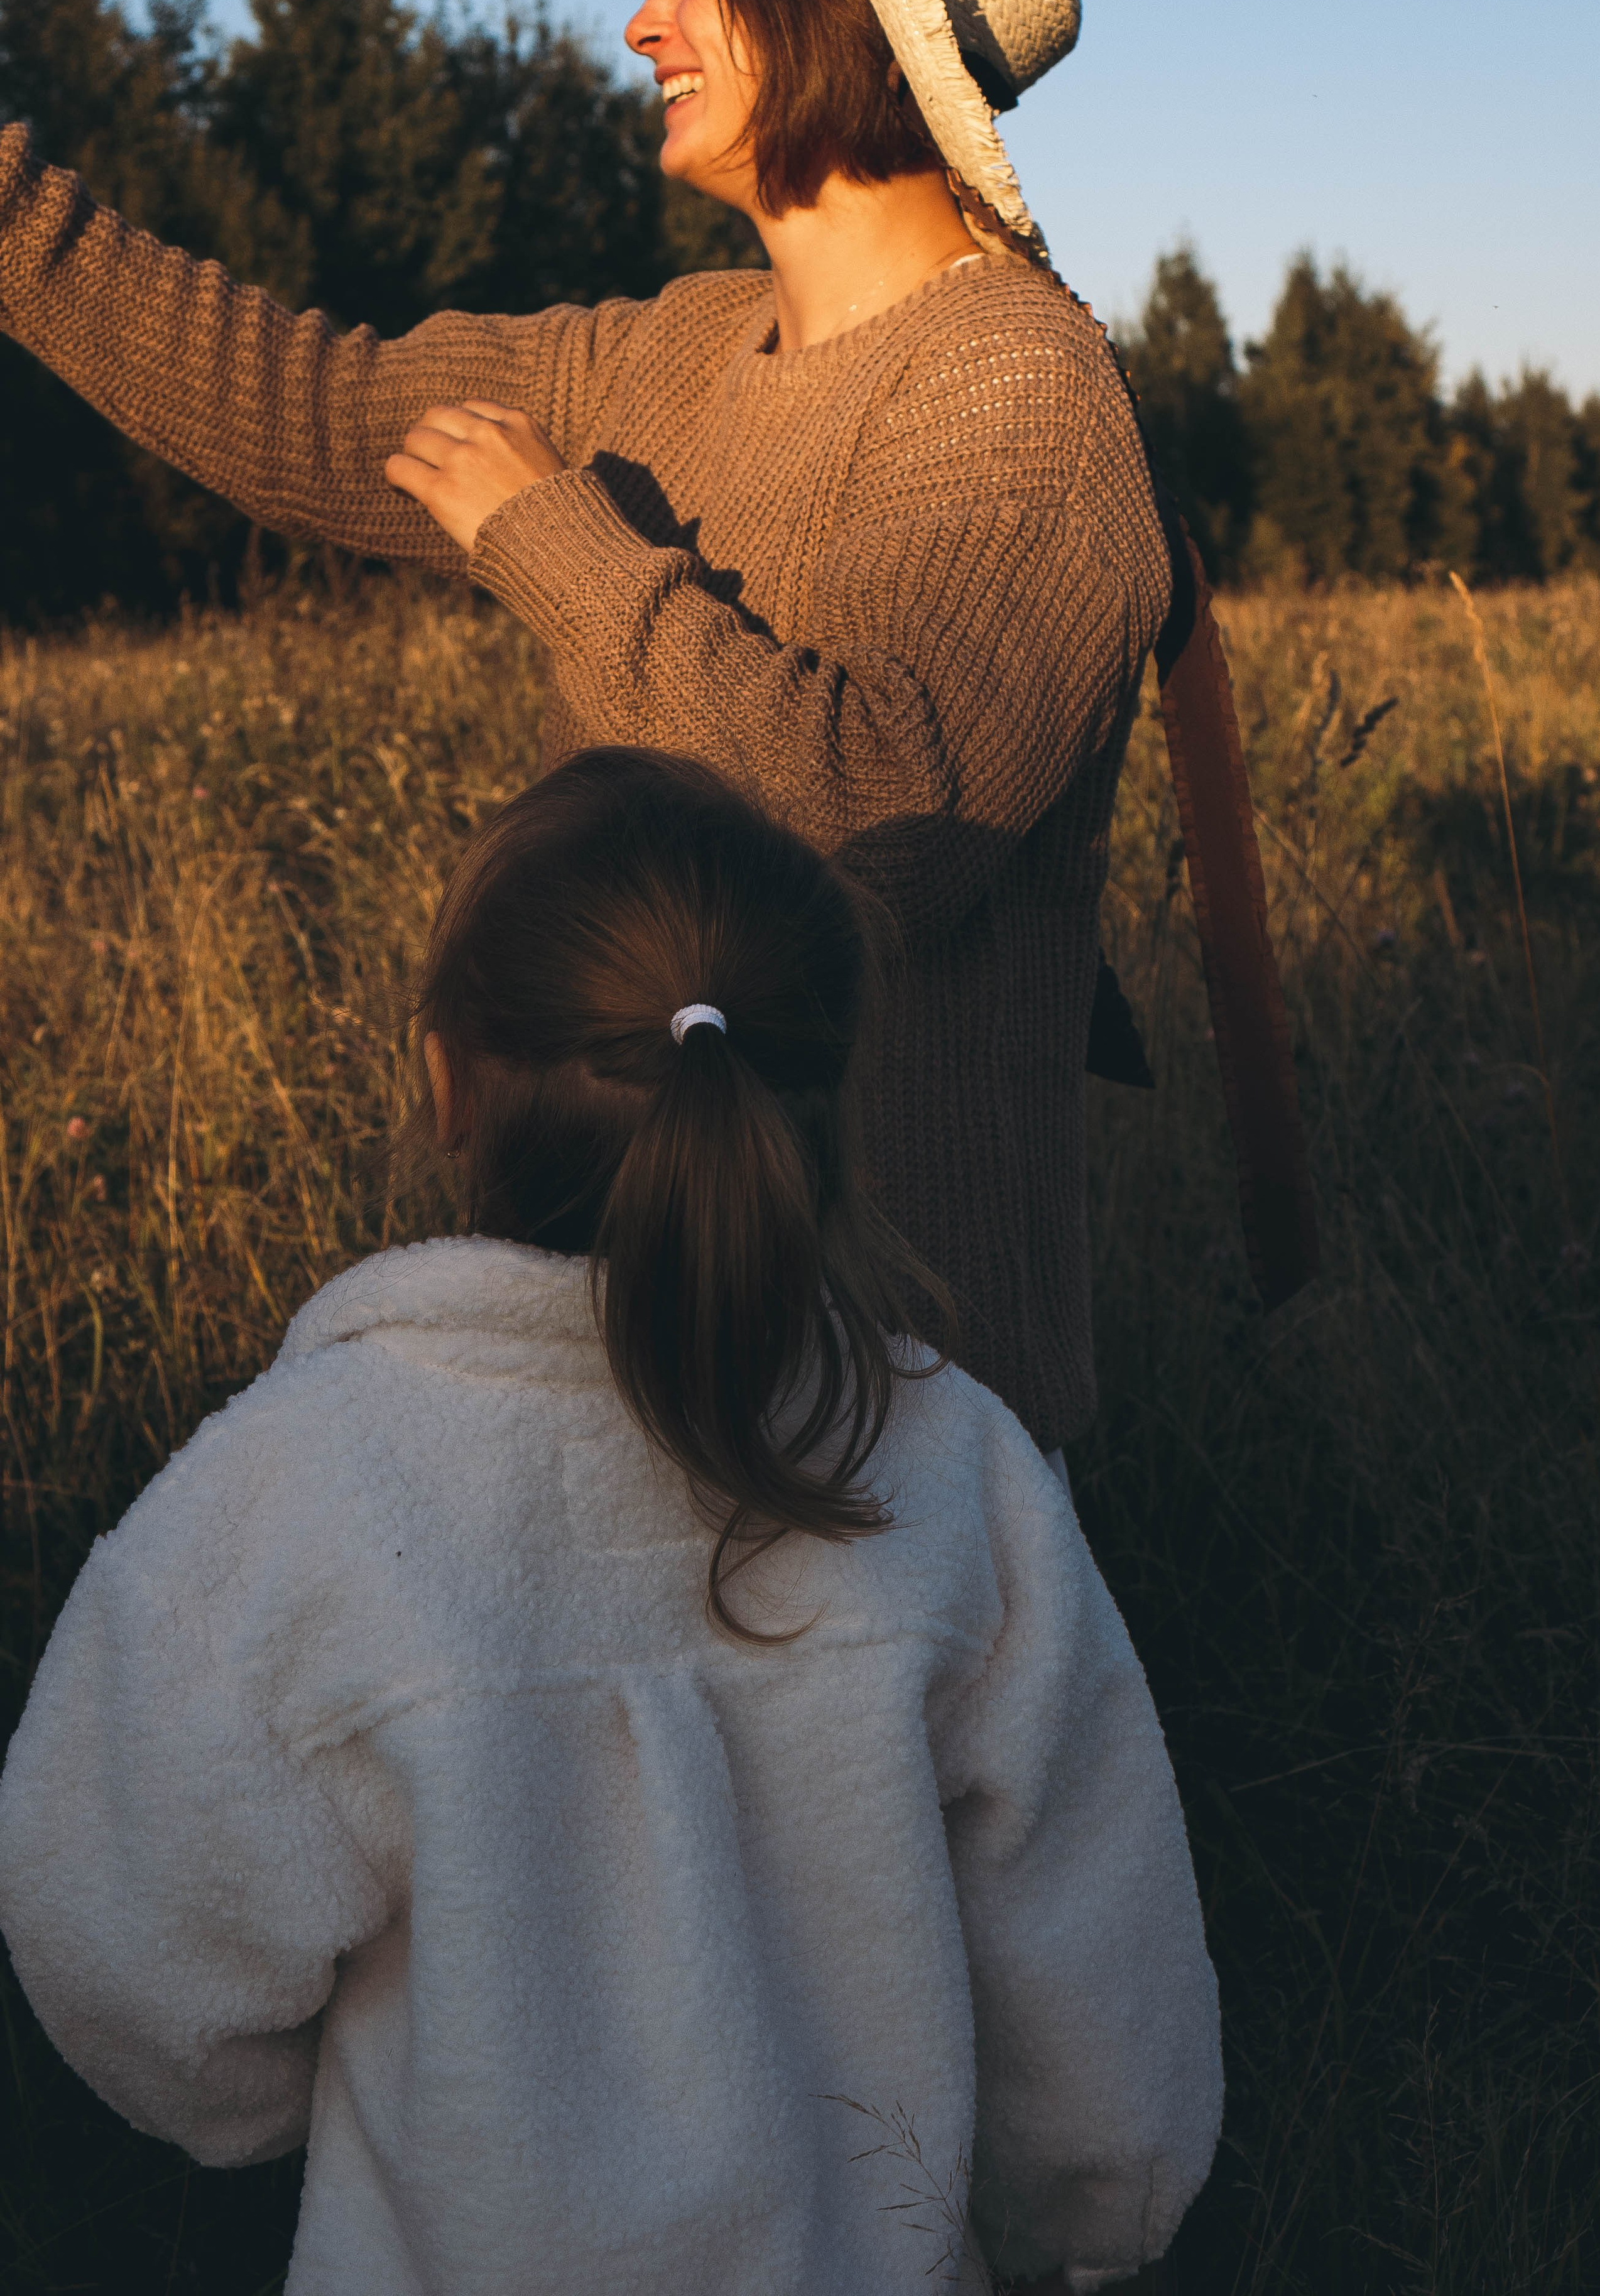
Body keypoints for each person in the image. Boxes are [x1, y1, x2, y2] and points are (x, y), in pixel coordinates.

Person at [0, 748, 1221, 2295]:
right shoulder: (953, 1467)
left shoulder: (292, 1492)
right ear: (824, 1091)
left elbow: (127, 1951)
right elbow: (1096, 1990)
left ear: (447, 1077)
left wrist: (271, 2118)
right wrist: (1084, 2230)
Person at [0, 0, 1172, 1467]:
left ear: (837, 1)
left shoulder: (1024, 393)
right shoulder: (668, 353)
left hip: (904, 1433)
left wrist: (553, 540)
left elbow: (881, 821)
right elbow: (307, 403)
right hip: (631, 1387)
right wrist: (13, 217)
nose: (642, 19)